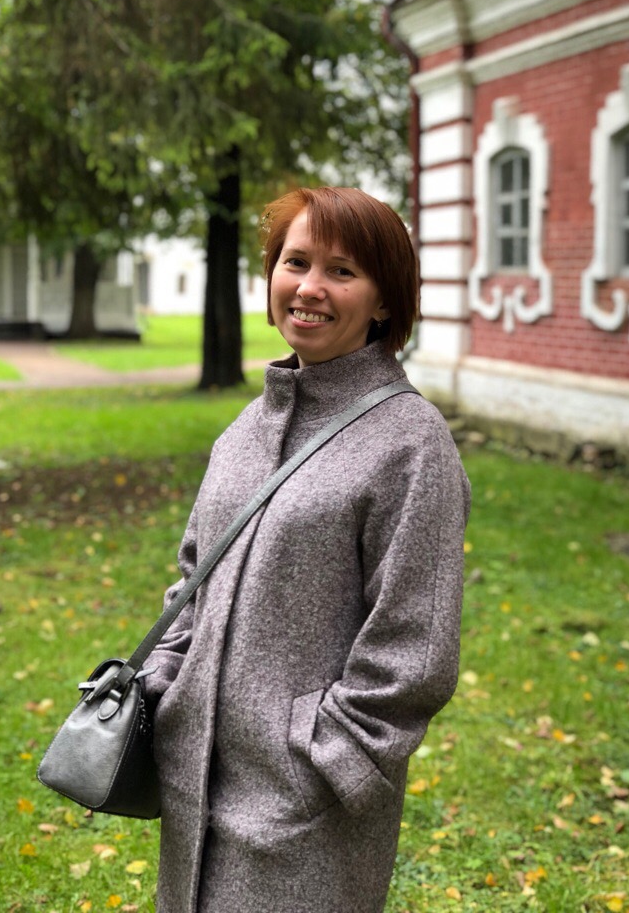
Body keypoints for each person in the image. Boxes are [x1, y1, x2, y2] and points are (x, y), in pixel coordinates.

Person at [145, 187, 471, 913]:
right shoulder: (245, 429)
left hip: (306, 813)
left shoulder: (412, 443)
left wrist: (325, 759)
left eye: (342, 271)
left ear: (384, 301)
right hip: (194, 788)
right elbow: (193, 582)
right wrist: (165, 686)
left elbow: (415, 647)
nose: (310, 287)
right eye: (295, 262)